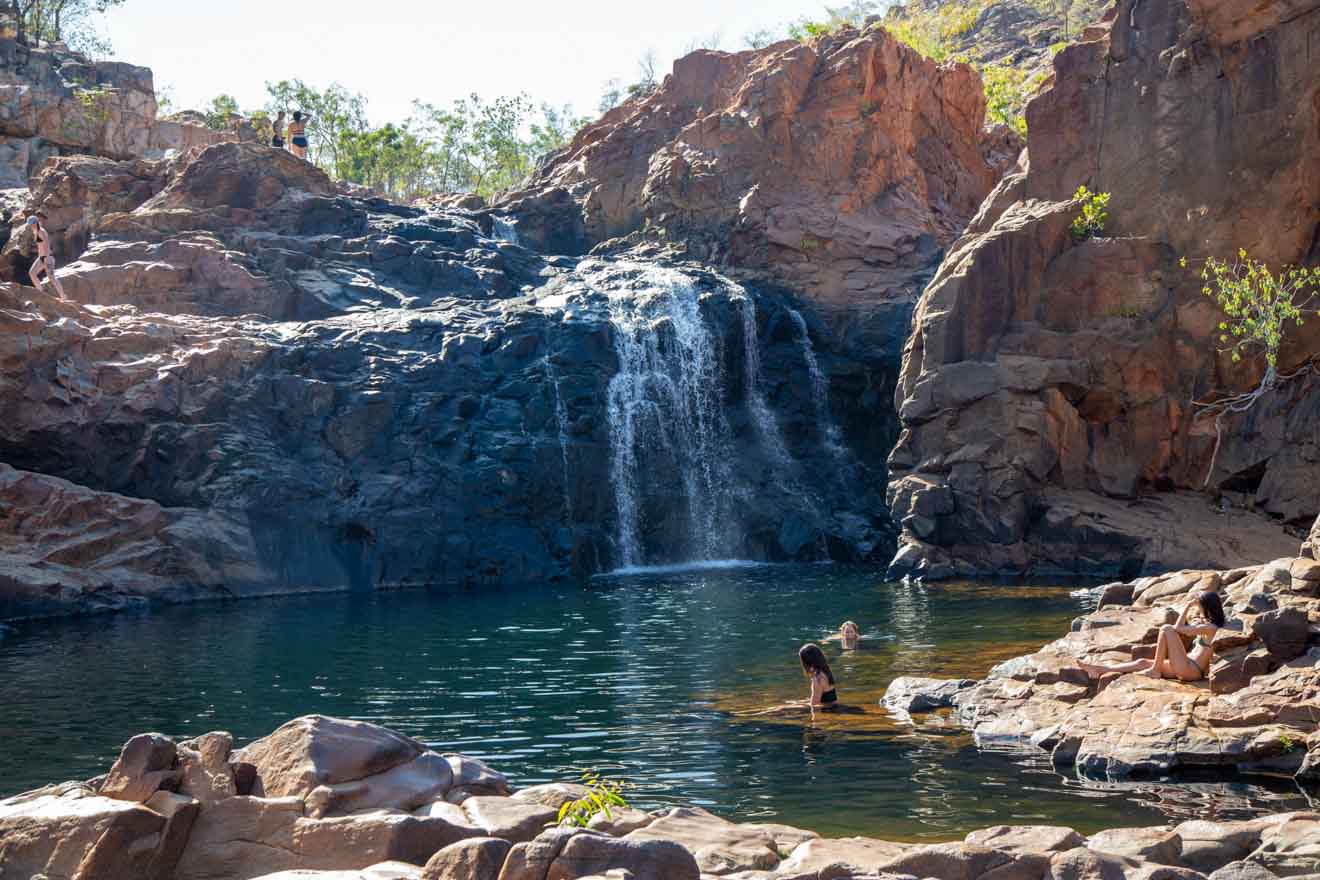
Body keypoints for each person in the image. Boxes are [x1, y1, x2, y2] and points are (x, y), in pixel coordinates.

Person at [1080, 591, 1226, 682]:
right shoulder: (1210, 624)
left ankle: (1155, 670)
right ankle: (1100, 669)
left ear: (1206, 607)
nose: (1197, 607)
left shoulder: (1210, 628)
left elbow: (1177, 628)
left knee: (1167, 629)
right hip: (1186, 665)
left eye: (1199, 605)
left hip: (1191, 670)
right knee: (1142, 662)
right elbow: (1183, 628)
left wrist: (1187, 606)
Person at [27, 213, 65, 299]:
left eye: (32, 224)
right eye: (30, 225)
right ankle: (41, 292)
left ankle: (63, 296)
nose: (31, 226)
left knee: (51, 277)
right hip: (41, 258)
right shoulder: (36, 232)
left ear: (35, 223)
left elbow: (47, 245)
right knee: (32, 273)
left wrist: (47, 258)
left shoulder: (41, 231)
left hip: (48, 257)